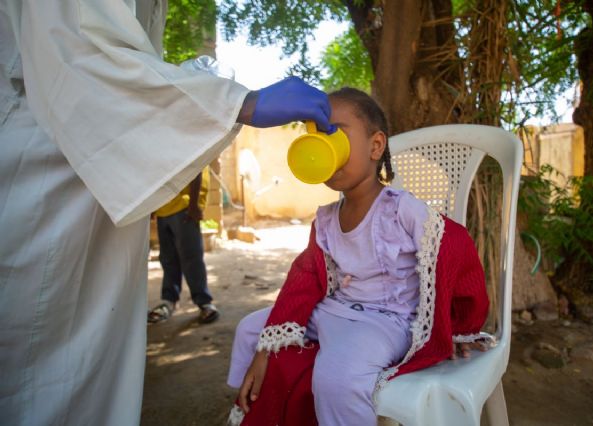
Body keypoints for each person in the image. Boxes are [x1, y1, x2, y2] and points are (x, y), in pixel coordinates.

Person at [0, 1, 336, 425]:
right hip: (43, 187)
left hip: (106, 193)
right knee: (38, 377)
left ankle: (199, 300)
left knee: (90, 367)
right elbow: (78, 53)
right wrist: (238, 104)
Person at [226, 88, 492, 426]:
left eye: (335, 132)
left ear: (376, 146)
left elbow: (456, 249)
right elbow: (305, 278)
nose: (326, 146)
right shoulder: (325, 219)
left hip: (384, 322)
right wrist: (267, 344)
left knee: (337, 377)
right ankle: (255, 408)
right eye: (318, 135)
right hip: (335, 310)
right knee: (249, 330)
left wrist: (459, 327)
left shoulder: (402, 210)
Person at [147, 166, 219, 324]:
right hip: (163, 208)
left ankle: (204, 302)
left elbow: (196, 168)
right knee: (167, 259)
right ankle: (169, 301)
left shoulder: (190, 141)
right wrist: (153, 206)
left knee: (191, 258)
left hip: (185, 206)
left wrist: (193, 205)